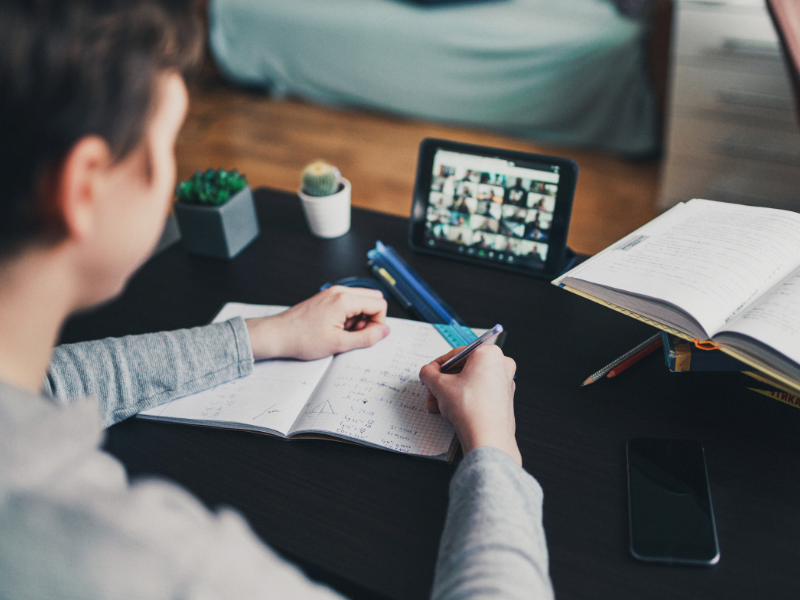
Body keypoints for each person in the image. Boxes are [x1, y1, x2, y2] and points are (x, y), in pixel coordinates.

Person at [0, 1, 554, 598]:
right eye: (166, 146)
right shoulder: (150, 563)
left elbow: (47, 386)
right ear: (83, 188)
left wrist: (265, 334)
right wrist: (494, 444)